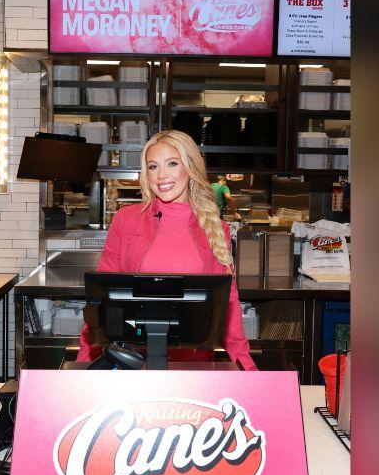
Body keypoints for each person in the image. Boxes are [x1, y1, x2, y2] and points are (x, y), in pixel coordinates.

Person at [76, 130, 258, 370]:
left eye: (172, 163)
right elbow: (99, 299)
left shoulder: (216, 227)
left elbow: (229, 305)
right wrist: (83, 364)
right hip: (134, 364)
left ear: (190, 168)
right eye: (153, 167)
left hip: (193, 366)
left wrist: (248, 368)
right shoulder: (126, 220)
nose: (162, 175)